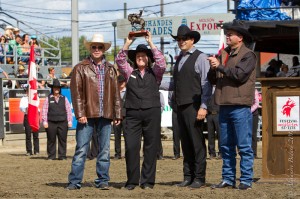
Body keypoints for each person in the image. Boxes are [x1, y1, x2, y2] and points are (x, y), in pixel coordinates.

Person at [67, 33, 122, 190]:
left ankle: (103, 180)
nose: (97, 49)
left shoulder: (111, 68)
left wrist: (118, 113)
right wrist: (80, 113)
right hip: (87, 114)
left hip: (106, 114)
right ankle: (74, 181)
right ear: (90, 48)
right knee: (81, 149)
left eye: (100, 47)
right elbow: (76, 92)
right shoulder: (80, 68)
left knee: (104, 150)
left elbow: (116, 93)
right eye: (94, 47)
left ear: (104, 49)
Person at [208, 20, 257, 190]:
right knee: (226, 146)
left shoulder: (248, 55)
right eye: (227, 33)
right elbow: (213, 79)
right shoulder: (223, 53)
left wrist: (219, 66)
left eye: (231, 34)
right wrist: (213, 68)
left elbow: (239, 75)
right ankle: (228, 178)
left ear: (240, 37)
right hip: (224, 104)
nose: (227, 36)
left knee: (243, 146)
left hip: (240, 106)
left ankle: (245, 180)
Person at [115, 30, 166, 190]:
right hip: (132, 114)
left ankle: (148, 181)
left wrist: (150, 42)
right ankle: (132, 181)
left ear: (149, 58)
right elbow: (120, 60)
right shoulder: (130, 73)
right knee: (131, 147)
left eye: (144, 56)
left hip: (152, 112)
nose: (141, 58)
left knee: (151, 147)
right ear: (135, 60)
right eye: (138, 56)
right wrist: (128, 43)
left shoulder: (156, 73)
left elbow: (162, 63)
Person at [170, 25, 212, 189]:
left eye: (184, 39)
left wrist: (204, 106)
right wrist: (155, 82)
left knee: (196, 142)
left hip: (194, 106)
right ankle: (188, 176)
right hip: (180, 106)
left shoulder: (201, 57)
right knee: (185, 143)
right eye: (179, 39)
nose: (181, 42)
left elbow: (206, 84)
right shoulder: (179, 58)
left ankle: (199, 177)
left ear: (192, 40)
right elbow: (175, 83)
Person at [42, 79, 72, 160]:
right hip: (51, 122)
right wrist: (45, 121)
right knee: (51, 139)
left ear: (60, 89)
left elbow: (68, 110)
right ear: (52, 88)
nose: (56, 89)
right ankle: (51, 155)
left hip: (63, 122)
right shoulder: (48, 98)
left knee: (62, 139)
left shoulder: (64, 98)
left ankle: (62, 156)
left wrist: (69, 120)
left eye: (58, 88)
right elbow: (44, 110)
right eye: (55, 88)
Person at [19, 85, 39, 156]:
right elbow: (21, 108)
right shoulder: (23, 99)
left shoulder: (35, 98)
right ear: (26, 92)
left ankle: (36, 150)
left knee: (35, 134)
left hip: (34, 117)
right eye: (28, 91)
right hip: (27, 116)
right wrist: (26, 109)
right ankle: (29, 151)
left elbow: (37, 106)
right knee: (28, 135)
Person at [112, 74, 127, 160]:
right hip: (116, 117)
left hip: (126, 117)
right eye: (119, 82)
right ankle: (117, 153)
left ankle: (127, 153)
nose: (121, 84)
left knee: (127, 136)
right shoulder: (114, 93)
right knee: (117, 136)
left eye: (122, 82)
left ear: (125, 83)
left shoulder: (129, 92)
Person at [206, 85, 221, 160]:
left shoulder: (220, 90)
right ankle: (212, 153)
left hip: (218, 114)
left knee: (220, 134)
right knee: (210, 135)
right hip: (209, 114)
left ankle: (221, 152)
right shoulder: (207, 90)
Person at [251, 89, 260, 159]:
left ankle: (254, 153)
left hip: (253, 114)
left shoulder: (255, 91)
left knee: (253, 134)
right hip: (246, 113)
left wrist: (248, 111)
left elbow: (256, 104)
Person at [157, 91, 165, 160]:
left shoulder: (159, 93)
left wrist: (157, 113)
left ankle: (160, 154)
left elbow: (162, 105)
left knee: (157, 135)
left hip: (156, 116)